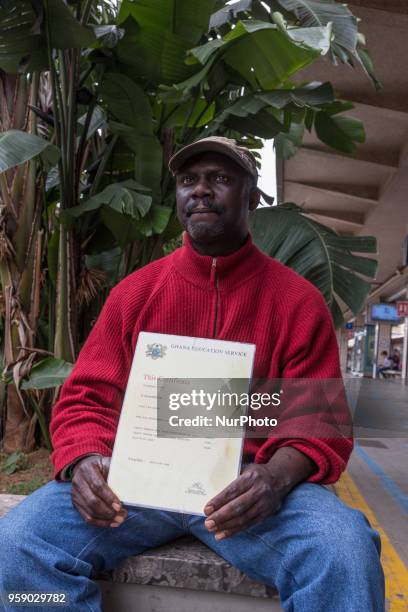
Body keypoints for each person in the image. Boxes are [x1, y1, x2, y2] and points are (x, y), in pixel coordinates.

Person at [0, 137, 384, 611]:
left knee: (343, 550)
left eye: (220, 179)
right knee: (16, 543)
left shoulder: (297, 302)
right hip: (135, 487)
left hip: (248, 493)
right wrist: (85, 463)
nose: (200, 190)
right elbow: (86, 399)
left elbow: (317, 424)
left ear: (251, 196)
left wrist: (273, 479)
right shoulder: (135, 294)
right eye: (188, 181)